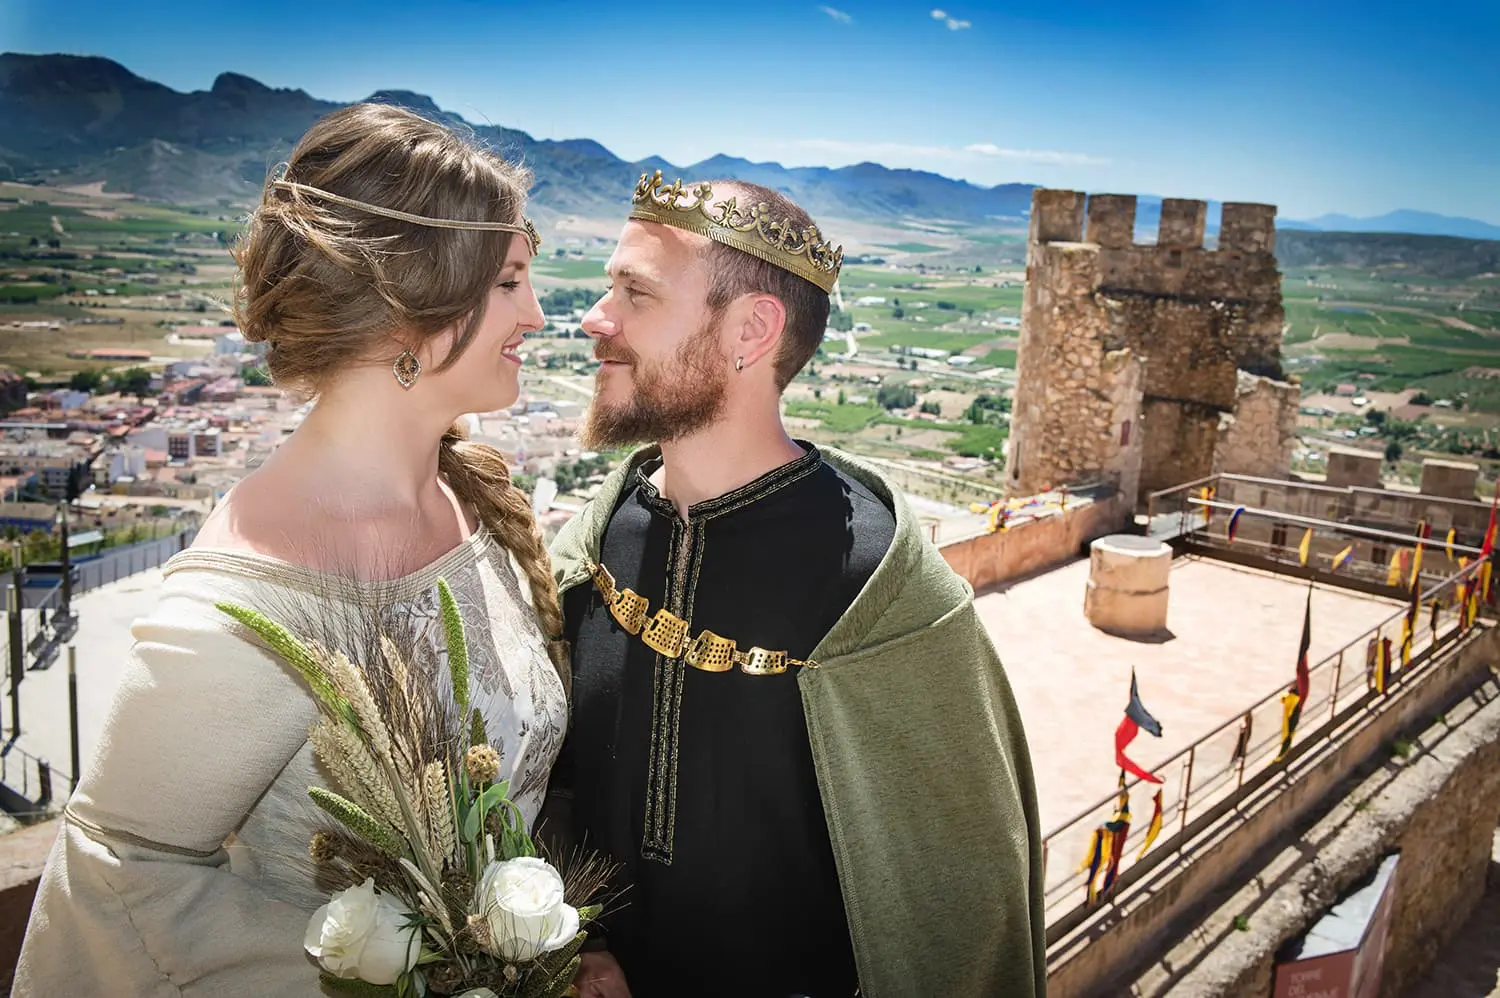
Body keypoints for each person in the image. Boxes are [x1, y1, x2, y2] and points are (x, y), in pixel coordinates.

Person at [14, 103, 570, 996]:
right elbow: (116, 883)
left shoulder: (469, 504)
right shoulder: (246, 604)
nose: (536, 314)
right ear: (409, 308)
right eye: (509, 282)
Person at [549, 172, 1045, 998]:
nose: (596, 319)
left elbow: (960, 902)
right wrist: (582, 938)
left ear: (752, 330)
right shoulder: (597, 543)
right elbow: (558, 784)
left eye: (636, 293)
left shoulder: (879, 592)